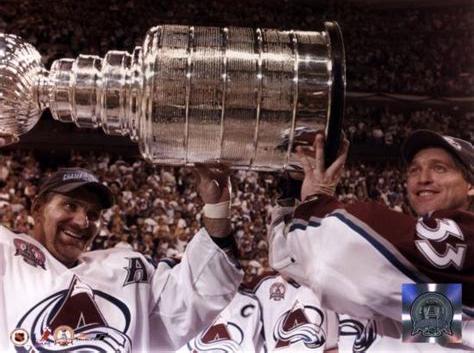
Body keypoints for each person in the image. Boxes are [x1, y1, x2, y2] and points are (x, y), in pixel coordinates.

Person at [268, 129, 473, 351]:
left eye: (439, 168)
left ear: (471, 185)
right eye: (414, 170)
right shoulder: (424, 299)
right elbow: (293, 262)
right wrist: (294, 191)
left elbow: (332, 266)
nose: (423, 178)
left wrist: (318, 198)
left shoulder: (467, 239)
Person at [1, 165, 243, 352]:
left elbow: (196, 293)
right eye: (70, 205)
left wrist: (217, 207)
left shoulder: (124, 271)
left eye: (93, 214)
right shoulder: (6, 253)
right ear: (37, 208)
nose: (82, 221)